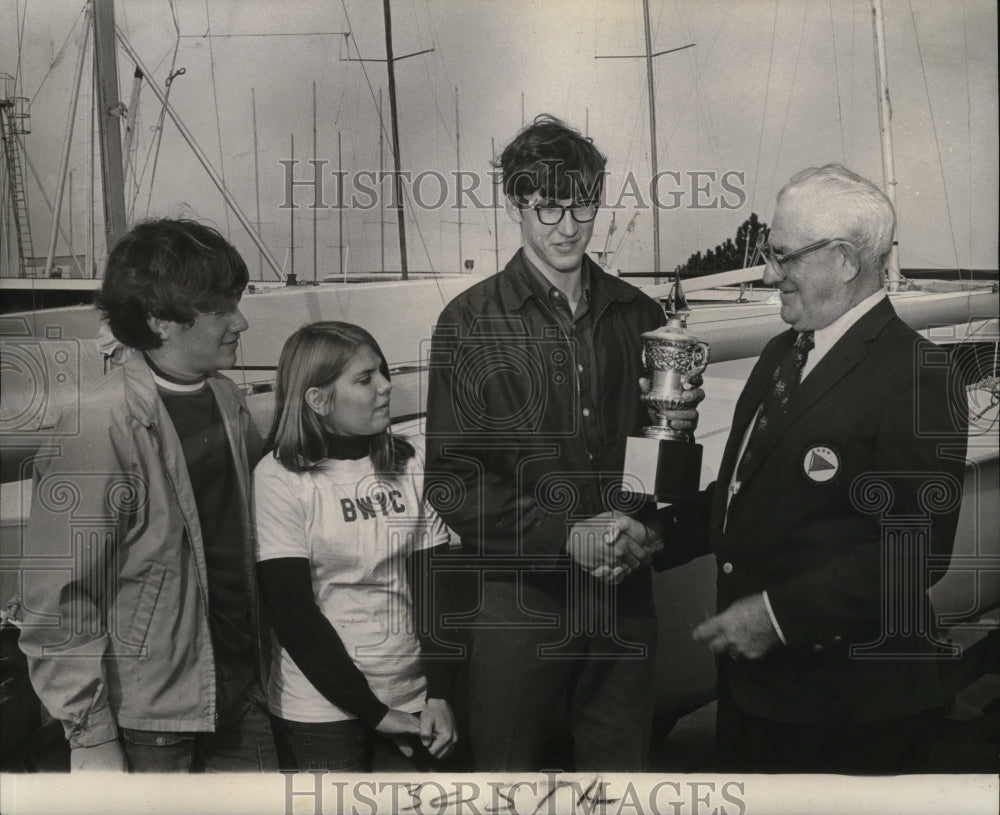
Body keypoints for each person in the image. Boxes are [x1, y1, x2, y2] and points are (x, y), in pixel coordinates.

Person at [662, 164, 969, 773]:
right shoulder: (783, 351)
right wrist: (654, 533)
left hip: (850, 713)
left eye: (784, 256)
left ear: (846, 261)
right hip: (756, 698)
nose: (771, 273)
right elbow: (742, 496)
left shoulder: (920, 375)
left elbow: (915, 550)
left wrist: (778, 617)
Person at [424, 114, 688, 771]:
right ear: (515, 202)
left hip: (625, 593)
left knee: (619, 781)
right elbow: (451, 481)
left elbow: (666, 448)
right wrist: (567, 533)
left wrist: (645, 527)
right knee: (505, 781)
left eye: (582, 203)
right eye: (547, 206)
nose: (568, 225)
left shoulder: (641, 315)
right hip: (522, 597)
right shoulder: (468, 322)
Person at [18, 219, 278, 772]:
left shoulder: (228, 402)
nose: (241, 321)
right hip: (151, 718)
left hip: (239, 689)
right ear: (161, 319)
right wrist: (90, 735)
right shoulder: (100, 425)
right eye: (221, 308)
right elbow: (57, 597)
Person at [254, 321, 458, 772]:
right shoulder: (278, 477)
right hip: (322, 711)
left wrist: (441, 693)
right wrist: (374, 713)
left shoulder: (410, 460)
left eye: (383, 372)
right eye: (366, 379)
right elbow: (295, 617)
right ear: (318, 399)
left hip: (415, 696)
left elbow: (435, 588)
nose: (387, 386)